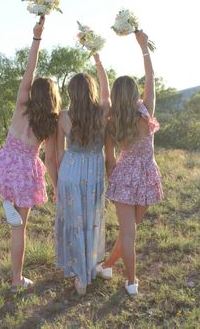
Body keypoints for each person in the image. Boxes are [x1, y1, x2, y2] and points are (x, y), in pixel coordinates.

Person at [0, 17, 60, 291]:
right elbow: (52, 157)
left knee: (14, 222)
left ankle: (7, 201)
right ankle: (17, 279)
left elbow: (28, 71)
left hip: (9, 162)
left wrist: (37, 38)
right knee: (20, 229)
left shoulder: (21, 104)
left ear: (32, 93)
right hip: (28, 169)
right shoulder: (50, 123)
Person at [102, 31, 163, 295]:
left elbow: (109, 157)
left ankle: (106, 266)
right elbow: (151, 79)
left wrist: (112, 176)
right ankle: (131, 282)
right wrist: (144, 48)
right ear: (136, 93)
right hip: (146, 173)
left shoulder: (112, 120)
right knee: (130, 232)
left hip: (124, 174)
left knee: (129, 231)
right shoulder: (145, 111)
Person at [55, 53, 110, 295]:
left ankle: (81, 276)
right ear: (91, 90)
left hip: (70, 170)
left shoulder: (64, 116)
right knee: (90, 221)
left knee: (74, 222)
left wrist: (55, 182)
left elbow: (56, 151)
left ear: (71, 93)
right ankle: (89, 268)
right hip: (93, 171)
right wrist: (98, 61)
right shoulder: (102, 111)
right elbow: (107, 91)